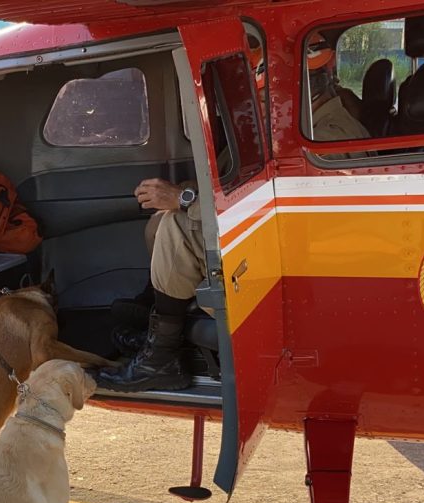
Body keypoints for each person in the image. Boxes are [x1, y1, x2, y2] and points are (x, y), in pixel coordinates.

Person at [99, 33, 369, 393]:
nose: (258, 104)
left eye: (263, 95)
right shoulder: (298, 126)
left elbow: (268, 205)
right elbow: (226, 181)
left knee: (177, 228)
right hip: (283, 244)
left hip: (305, 261)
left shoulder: (330, 138)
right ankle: (159, 323)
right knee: (160, 222)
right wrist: (182, 196)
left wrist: (183, 199)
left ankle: (161, 357)